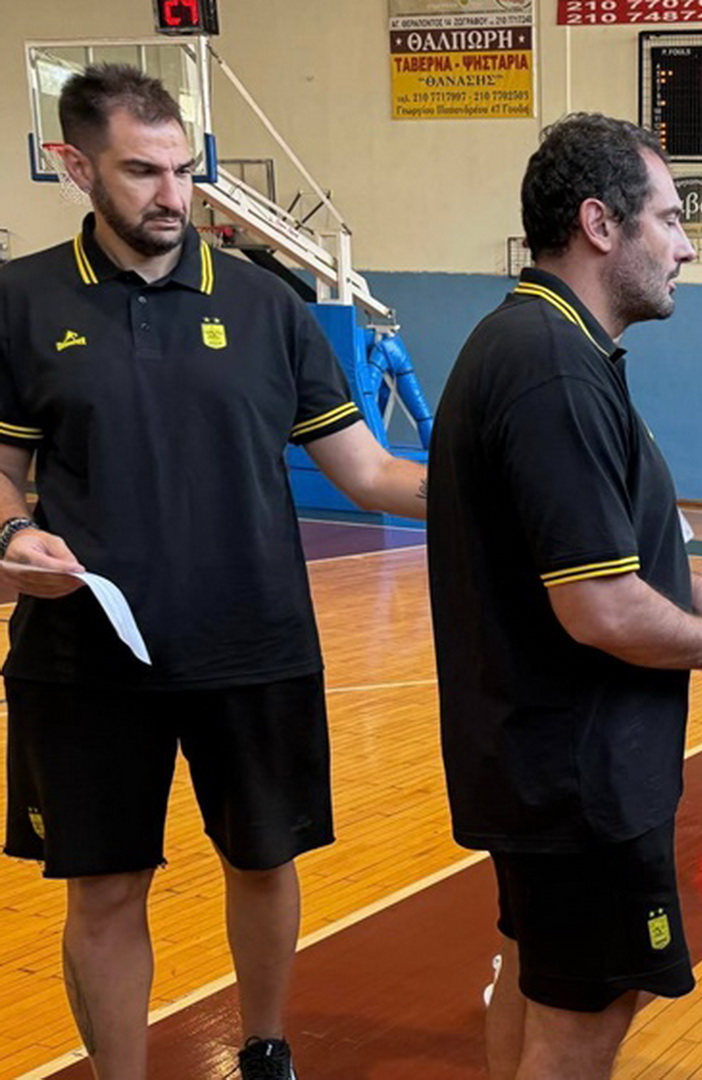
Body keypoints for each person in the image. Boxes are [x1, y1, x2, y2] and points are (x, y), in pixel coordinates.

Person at [0, 65, 427, 1080]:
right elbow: (4, 468)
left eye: (183, 170)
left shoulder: (267, 303)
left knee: (264, 859)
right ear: (74, 167)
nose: (171, 195)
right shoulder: (20, 300)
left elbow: (367, 471)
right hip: (86, 658)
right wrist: (12, 533)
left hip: (255, 644)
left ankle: (266, 1047)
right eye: (141, 172)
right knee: (104, 887)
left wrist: (506, 490)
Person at [429, 114, 702, 1079]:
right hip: (577, 777)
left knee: (539, 977)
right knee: (587, 1011)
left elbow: (597, 552)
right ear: (599, 223)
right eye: (669, 219)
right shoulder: (552, 368)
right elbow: (602, 607)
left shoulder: (544, 347)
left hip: (549, 764)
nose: (686, 245)